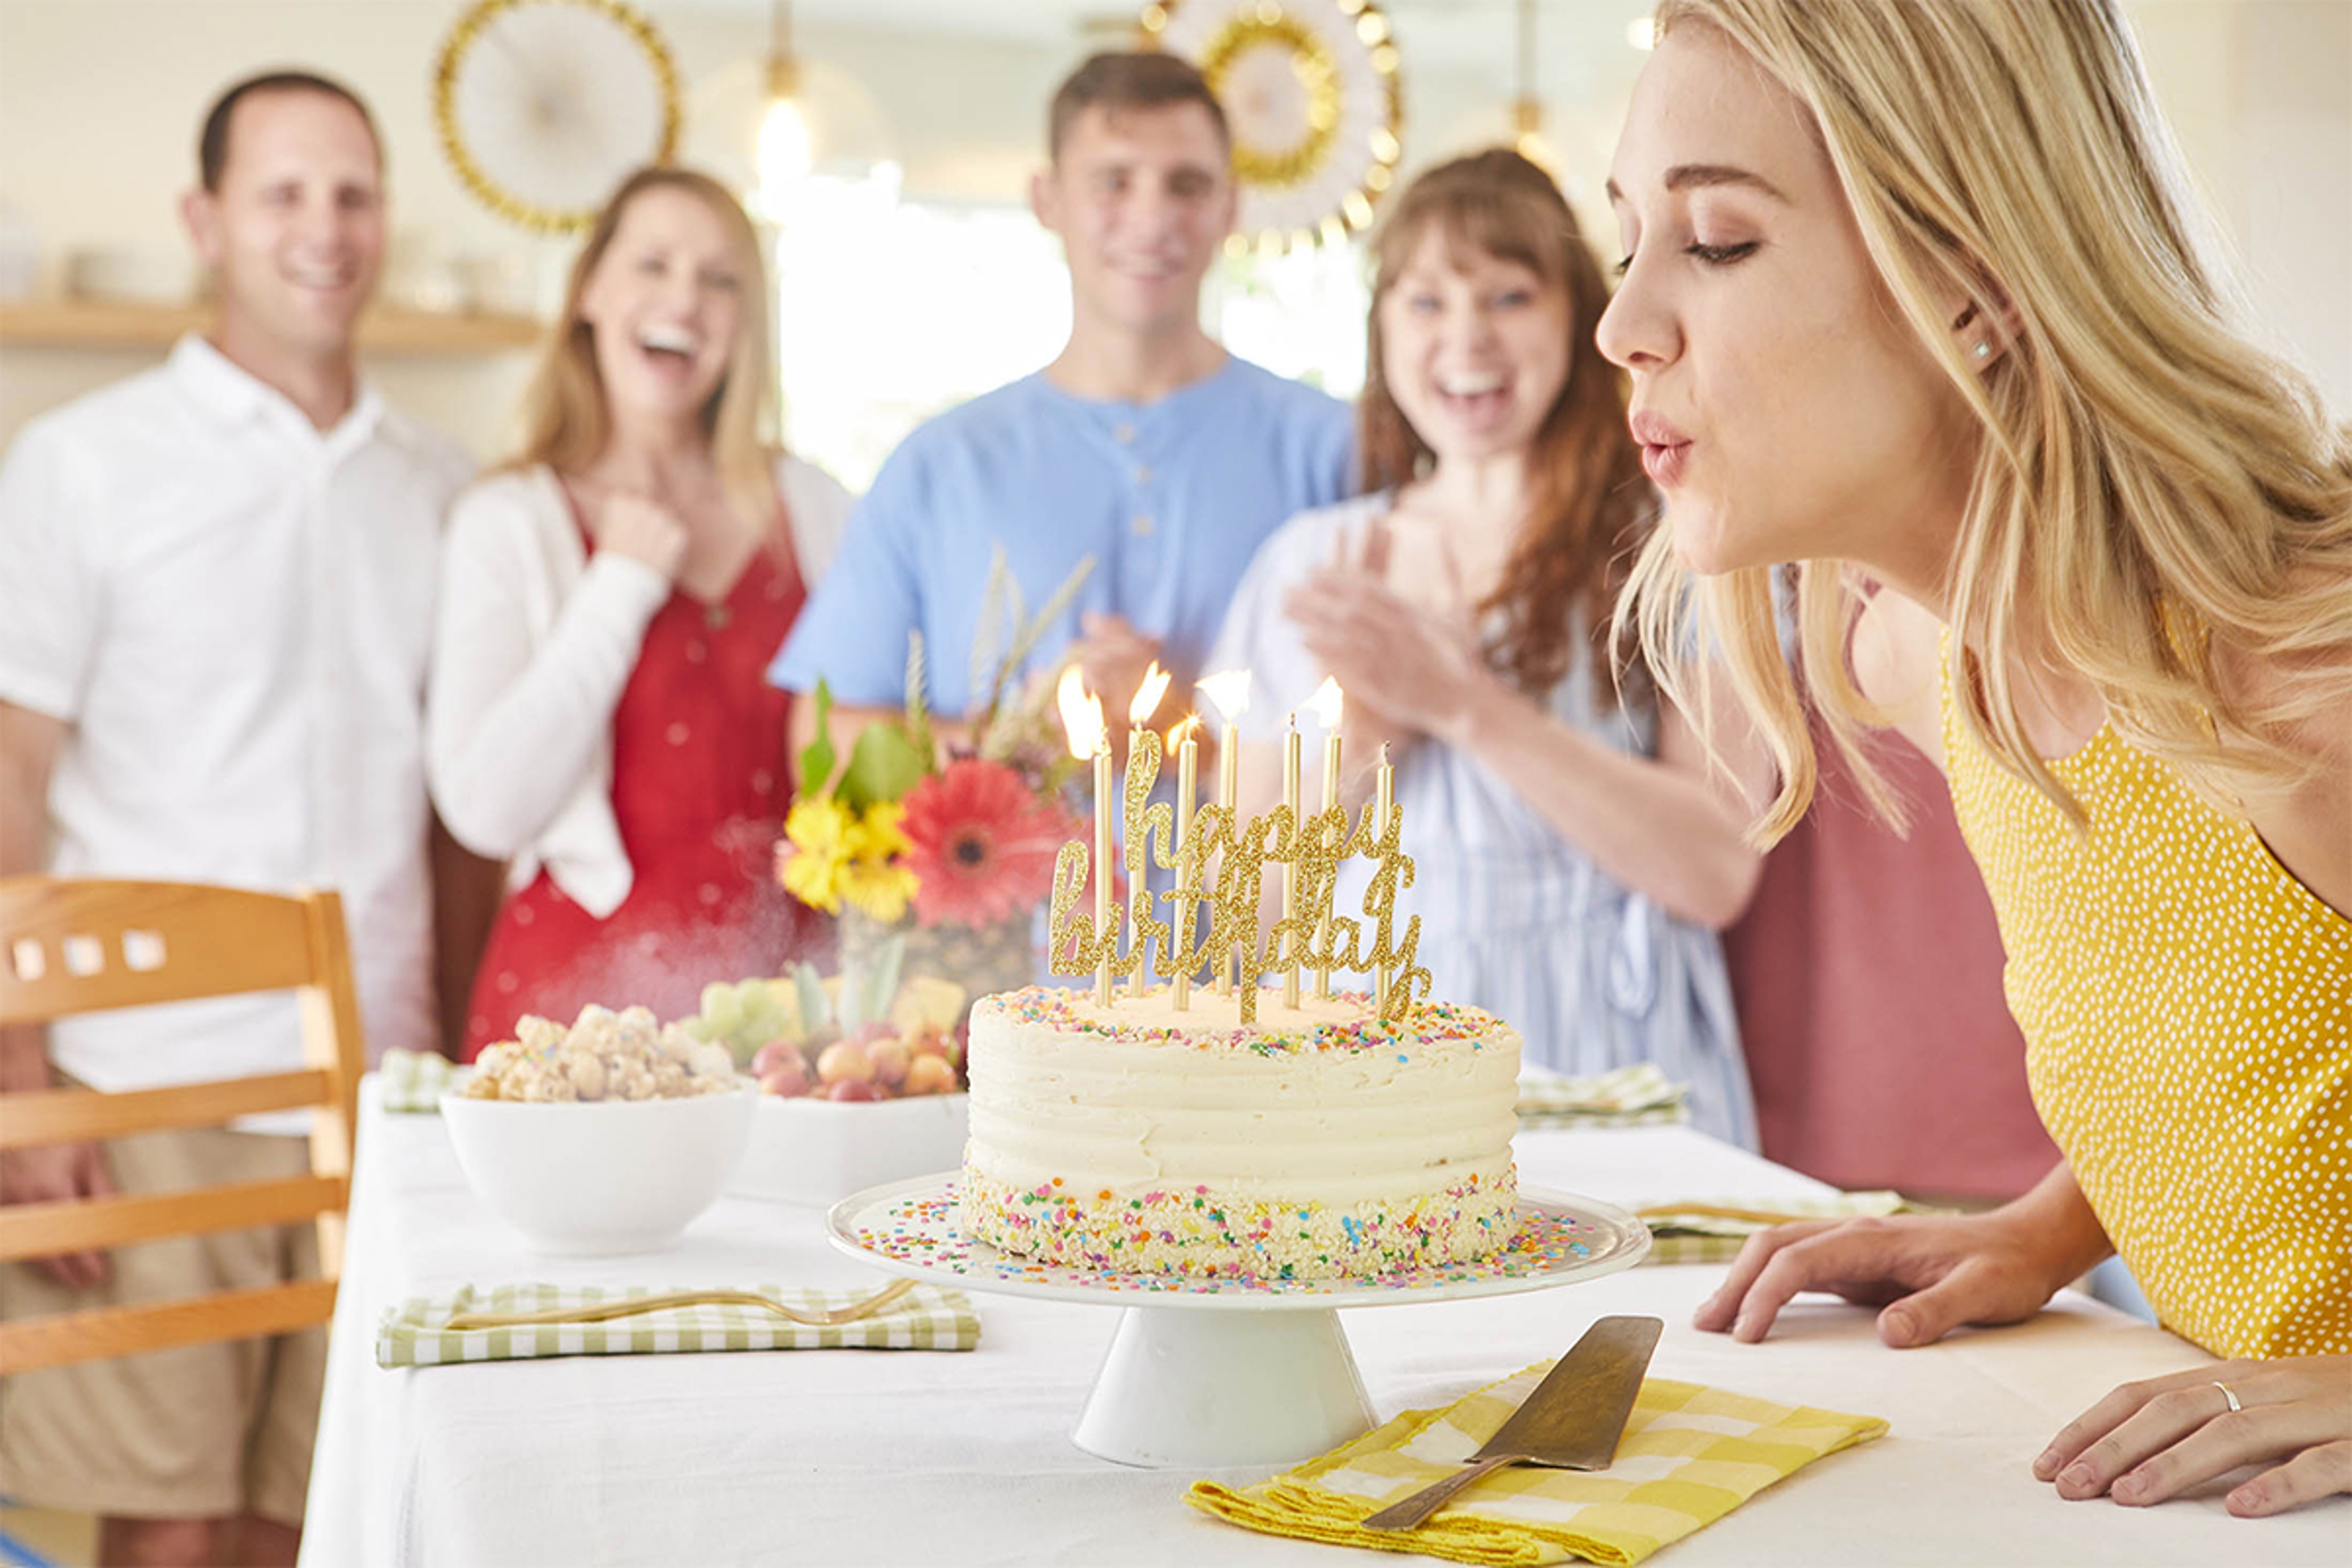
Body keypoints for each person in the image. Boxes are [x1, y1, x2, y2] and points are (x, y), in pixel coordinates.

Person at [1600, 0, 2349, 1519]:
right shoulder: (1918, 658)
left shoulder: (2291, 674)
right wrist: (2049, 1223)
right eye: (1625, 240)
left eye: (1718, 242)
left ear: (1973, 279)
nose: (1620, 324)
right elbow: (2273, 1041)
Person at [0, 72, 473, 1566]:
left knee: (314, 1521)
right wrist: (18, 1075)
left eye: (352, 193)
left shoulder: (447, 487)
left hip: (379, 1090)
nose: (324, 230)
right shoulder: (83, 465)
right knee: (167, 1522)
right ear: (207, 222)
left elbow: (462, 815)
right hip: (145, 1084)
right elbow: (7, 767)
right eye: (283, 194)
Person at [1206, 149, 1769, 1144]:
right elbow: (1238, 922)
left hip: (1614, 1072)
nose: (1467, 338)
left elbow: (1716, 870)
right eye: (1425, 302)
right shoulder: (1310, 565)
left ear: (1581, 316)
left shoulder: (1681, 542)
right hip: (1368, 1083)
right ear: (1383, 332)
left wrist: (1464, 704)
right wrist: (1360, 740)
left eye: (1509, 295)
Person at [768, 51, 1354, 759]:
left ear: (1230, 208)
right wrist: (1020, 739)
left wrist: (1177, 735)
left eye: (1187, 185)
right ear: (1048, 200)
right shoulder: (941, 467)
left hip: (1255, 877)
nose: (1151, 218)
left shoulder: (1333, 452)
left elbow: (1402, 759)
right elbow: (822, 746)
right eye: (1114, 181)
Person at [429, 167, 852, 1057]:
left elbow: (873, 759)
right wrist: (616, 587)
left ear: (748, 319)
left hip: (794, 1018)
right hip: (572, 1021)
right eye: (652, 264)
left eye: (719, 278)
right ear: (589, 290)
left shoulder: (814, 508)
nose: (685, 301)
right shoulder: (508, 521)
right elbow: (483, 808)